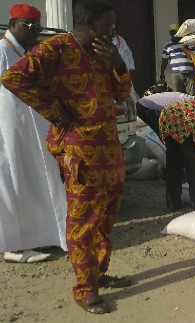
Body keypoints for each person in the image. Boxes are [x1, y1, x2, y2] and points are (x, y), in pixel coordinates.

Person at [2, 0, 133, 314]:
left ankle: (98, 274)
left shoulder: (103, 52)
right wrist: (54, 111)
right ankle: (85, 289)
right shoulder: (57, 48)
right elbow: (13, 78)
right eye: (109, 25)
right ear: (89, 23)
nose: (113, 31)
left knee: (105, 215)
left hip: (109, 146)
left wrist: (116, 63)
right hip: (79, 149)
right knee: (83, 221)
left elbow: (123, 94)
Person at [0, 3, 67, 264]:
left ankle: (40, 236)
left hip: (30, 131)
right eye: (31, 27)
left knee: (35, 183)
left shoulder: (25, 53)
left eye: (37, 28)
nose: (34, 32)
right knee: (13, 183)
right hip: (9, 134)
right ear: (14, 23)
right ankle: (14, 247)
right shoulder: (3, 51)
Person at [161, 23, 195, 95]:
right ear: (170, 33)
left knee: (191, 95)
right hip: (176, 74)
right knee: (178, 96)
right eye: (172, 32)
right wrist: (162, 73)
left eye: (176, 32)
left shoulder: (188, 42)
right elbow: (165, 60)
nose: (174, 33)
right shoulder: (167, 45)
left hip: (189, 73)